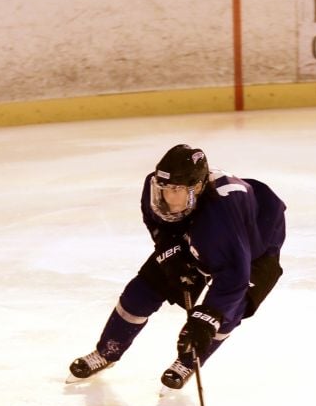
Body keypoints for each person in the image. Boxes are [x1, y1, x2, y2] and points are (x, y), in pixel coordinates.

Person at [68, 144, 286, 389]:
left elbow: (235, 277)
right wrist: (170, 255)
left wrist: (205, 320)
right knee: (142, 291)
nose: (167, 197)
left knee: (228, 313)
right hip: (195, 229)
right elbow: (157, 226)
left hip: (256, 245)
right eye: (164, 188)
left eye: (176, 190)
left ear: (197, 187)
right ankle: (108, 351)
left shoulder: (221, 220)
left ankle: (187, 361)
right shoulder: (155, 188)